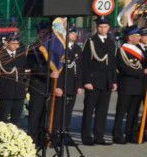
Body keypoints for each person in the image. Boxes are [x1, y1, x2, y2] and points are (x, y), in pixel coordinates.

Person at [81, 16, 117, 145]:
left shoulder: (111, 42)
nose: (103, 29)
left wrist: (113, 81)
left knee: (102, 111)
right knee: (89, 110)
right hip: (93, 81)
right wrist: (86, 81)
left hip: (106, 81)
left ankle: (99, 136)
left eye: (105, 27)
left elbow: (112, 64)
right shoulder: (90, 42)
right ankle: (86, 137)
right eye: (101, 27)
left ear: (108, 28)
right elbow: (85, 63)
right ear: (97, 27)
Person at [112, 26, 146, 144]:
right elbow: (125, 68)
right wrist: (142, 72)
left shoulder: (140, 50)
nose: (140, 37)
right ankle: (117, 135)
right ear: (130, 37)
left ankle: (131, 134)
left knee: (134, 112)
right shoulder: (122, 50)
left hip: (139, 86)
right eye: (137, 35)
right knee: (121, 112)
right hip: (127, 85)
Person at [50, 26, 83, 140]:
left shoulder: (77, 49)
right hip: (61, 85)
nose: (74, 35)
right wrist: (57, 86)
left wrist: (79, 85)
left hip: (72, 85)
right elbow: (57, 69)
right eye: (72, 33)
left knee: (68, 113)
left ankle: (65, 135)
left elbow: (79, 69)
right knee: (58, 113)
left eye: (75, 33)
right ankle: (54, 136)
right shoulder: (60, 48)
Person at [26, 22, 54, 146]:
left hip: (49, 86)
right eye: (42, 33)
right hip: (37, 86)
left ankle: (43, 139)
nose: (44, 35)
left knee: (45, 115)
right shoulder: (34, 48)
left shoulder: (52, 48)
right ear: (38, 34)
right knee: (35, 115)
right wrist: (49, 73)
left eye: (46, 33)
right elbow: (34, 67)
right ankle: (33, 140)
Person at [0, 33, 25, 124]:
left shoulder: (21, 55)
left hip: (19, 92)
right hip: (6, 91)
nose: (15, 46)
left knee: (16, 119)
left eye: (17, 43)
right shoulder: (0, 56)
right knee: (3, 118)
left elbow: (24, 73)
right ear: (7, 43)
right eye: (13, 43)